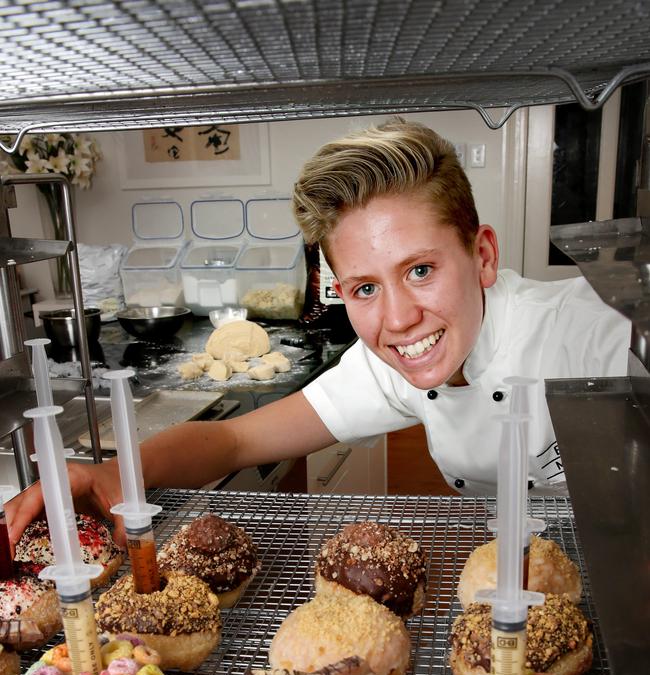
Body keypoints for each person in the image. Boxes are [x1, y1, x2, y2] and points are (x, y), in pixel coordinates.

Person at [6, 119, 629, 545]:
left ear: (483, 255)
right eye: (364, 288)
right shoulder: (392, 365)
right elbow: (231, 443)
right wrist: (119, 474)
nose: (398, 319)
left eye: (420, 269)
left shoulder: (592, 339)